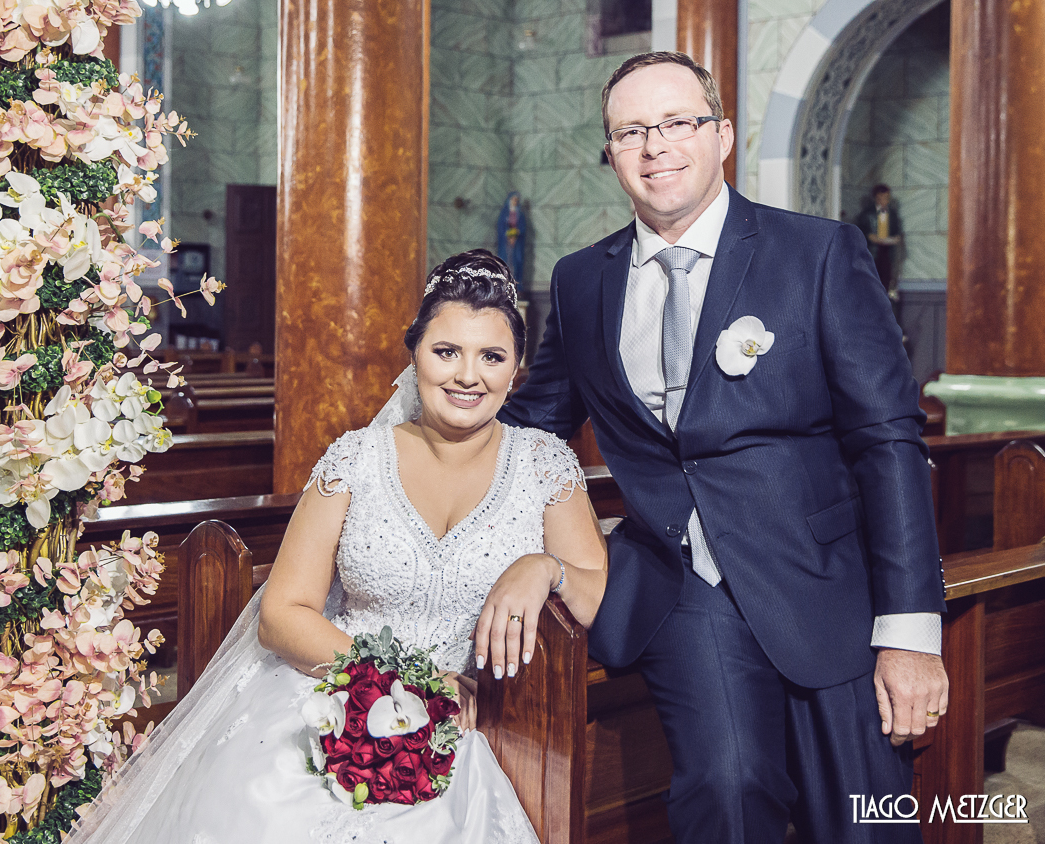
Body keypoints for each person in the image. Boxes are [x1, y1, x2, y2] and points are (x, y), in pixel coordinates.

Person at [500, 51, 948, 844]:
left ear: (723, 135)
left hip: (825, 582)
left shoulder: (817, 253)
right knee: (726, 790)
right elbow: (535, 426)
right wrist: (416, 455)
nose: (655, 146)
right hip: (681, 586)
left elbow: (887, 441)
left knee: (868, 820)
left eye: (677, 122)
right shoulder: (580, 280)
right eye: (630, 131)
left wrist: (910, 632)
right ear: (610, 153)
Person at [63, 249, 608, 844]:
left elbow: (590, 589)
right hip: (335, 694)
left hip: (483, 725)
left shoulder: (544, 466)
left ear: (516, 367)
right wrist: (414, 685)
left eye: (492, 356)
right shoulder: (356, 460)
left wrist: (544, 567)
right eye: (446, 351)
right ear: (415, 354)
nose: (467, 376)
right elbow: (281, 614)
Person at [856, 183, 904, 297]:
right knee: (871, 281)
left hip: (887, 252)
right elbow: (861, 232)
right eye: (881, 198)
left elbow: (897, 231)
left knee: (886, 280)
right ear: (876, 198)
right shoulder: (867, 214)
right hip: (872, 252)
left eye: (886, 198)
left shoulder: (892, 214)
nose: (884, 201)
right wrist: (870, 236)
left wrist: (895, 238)